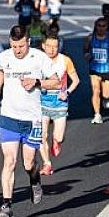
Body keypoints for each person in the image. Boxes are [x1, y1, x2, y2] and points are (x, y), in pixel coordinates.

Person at [0, 25, 60, 217]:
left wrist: (37, 82)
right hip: (9, 117)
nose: (17, 50)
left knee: (28, 163)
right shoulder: (4, 56)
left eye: (21, 46)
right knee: (9, 161)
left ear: (28, 41)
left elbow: (56, 82)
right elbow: (1, 71)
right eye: (14, 46)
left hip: (32, 120)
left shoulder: (39, 58)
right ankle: (6, 206)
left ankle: (34, 179)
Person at [38, 34, 79, 175]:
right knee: (41, 136)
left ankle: (57, 142)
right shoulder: (38, 60)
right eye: (48, 46)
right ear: (43, 46)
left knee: (59, 136)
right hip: (42, 103)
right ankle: (47, 164)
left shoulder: (65, 60)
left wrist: (66, 92)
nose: (51, 49)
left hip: (60, 103)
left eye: (54, 46)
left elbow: (76, 81)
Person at [84, 18, 109, 124]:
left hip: (107, 69)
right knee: (96, 90)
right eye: (99, 25)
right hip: (94, 68)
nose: (101, 28)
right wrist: (87, 55)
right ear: (95, 26)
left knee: (106, 95)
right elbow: (85, 49)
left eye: (103, 26)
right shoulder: (90, 38)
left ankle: (106, 99)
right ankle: (97, 115)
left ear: (107, 27)